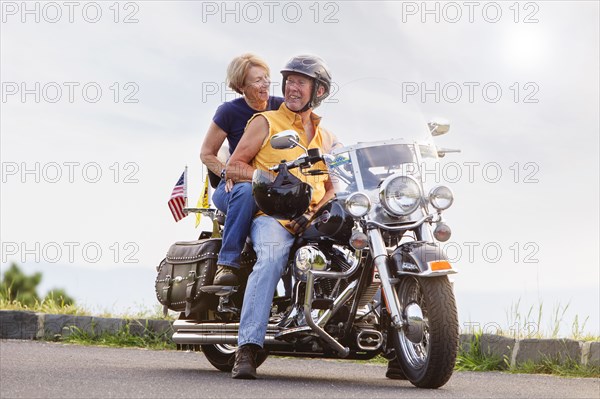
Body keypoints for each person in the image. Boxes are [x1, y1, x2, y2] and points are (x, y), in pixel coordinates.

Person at [225, 55, 340, 379]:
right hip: (273, 215)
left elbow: (333, 186)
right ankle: (247, 348)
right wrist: (270, 180)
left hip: (314, 218)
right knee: (272, 257)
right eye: (289, 80)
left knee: (364, 248)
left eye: (301, 82)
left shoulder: (326, 137)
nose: (292, 86)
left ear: (318, 91)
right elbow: (235, 166)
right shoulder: (266, 121)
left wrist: (318, 211)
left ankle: (397, 351)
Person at [200, 54, 284, 286]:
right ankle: (227, 264)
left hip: (271, 186)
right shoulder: (228, 112)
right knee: (246, 190)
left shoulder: (282, 107)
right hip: (234, 188)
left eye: (266, 78)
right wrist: (228, 172)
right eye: (257, 80)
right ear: (241, 86)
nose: (265, 84)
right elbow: (206, 154)